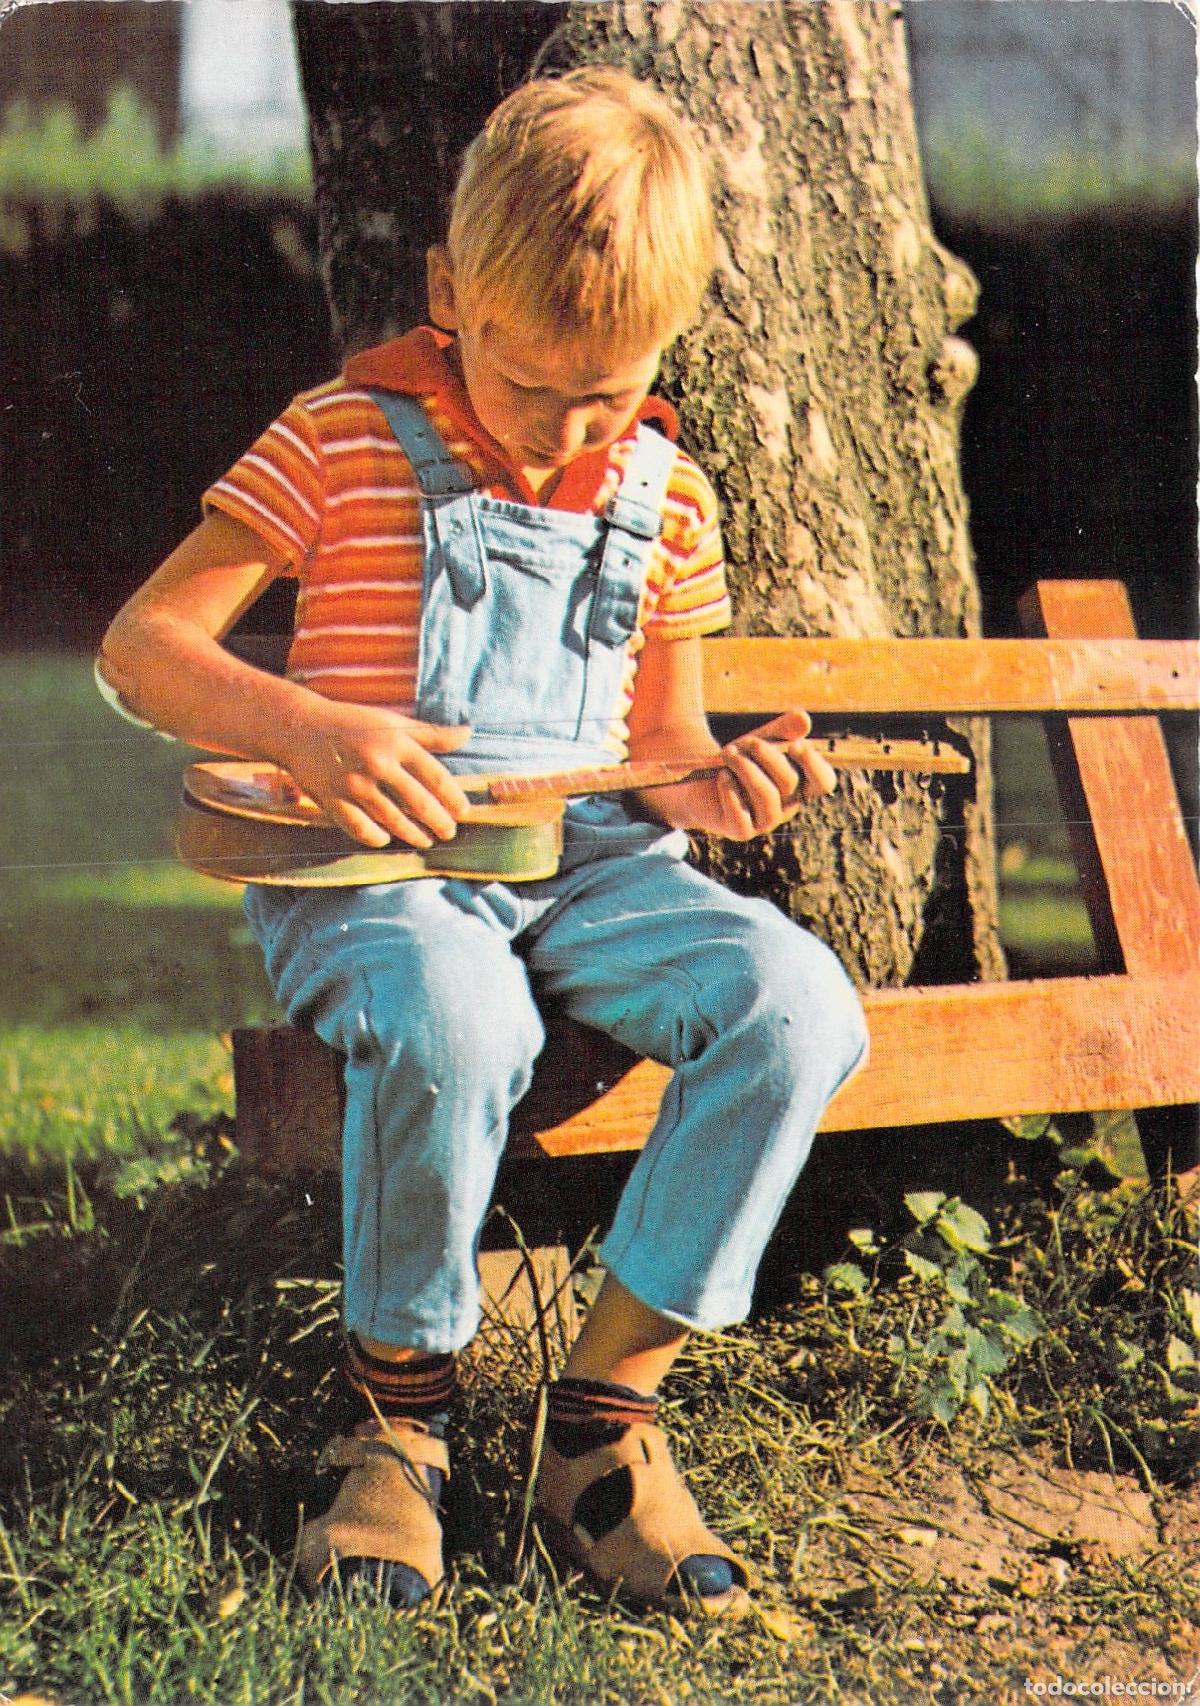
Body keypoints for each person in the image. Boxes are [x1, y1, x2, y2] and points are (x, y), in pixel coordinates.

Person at [99, 66, 868, 1620]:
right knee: (461, 1019)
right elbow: (142, 648)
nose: (567, 429)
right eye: (530, 384)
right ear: (453, 297)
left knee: (800, 1007)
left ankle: (604, 1421)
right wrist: (309, 729)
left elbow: (662, 751)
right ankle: (398, 1424)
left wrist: (714, 788)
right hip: (373, 874)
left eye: (610, 392)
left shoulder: (666, 494)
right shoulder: (340, 438)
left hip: (589, 867)